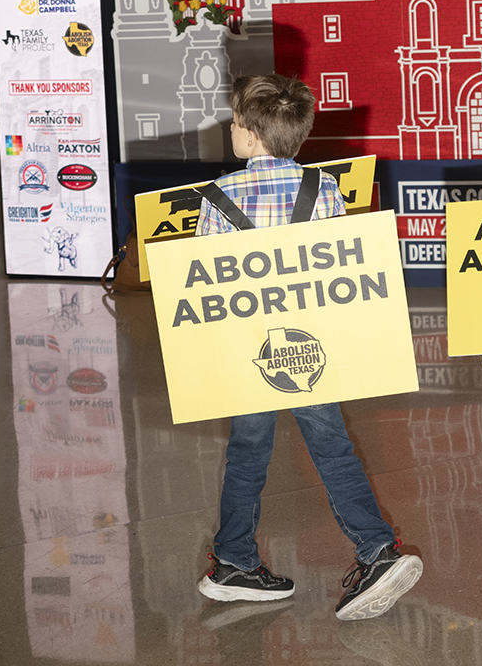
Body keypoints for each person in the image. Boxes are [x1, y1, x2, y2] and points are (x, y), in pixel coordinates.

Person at [194, 73, 422, 619]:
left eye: (233, 121)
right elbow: (340, 272)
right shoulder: (323, 190)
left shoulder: (218, 196)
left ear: (249, 136)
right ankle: (373, 550)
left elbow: (203, 285)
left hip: (247, 352)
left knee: (247, 453)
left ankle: (233, 561)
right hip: (308, 350)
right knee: (332, 448)